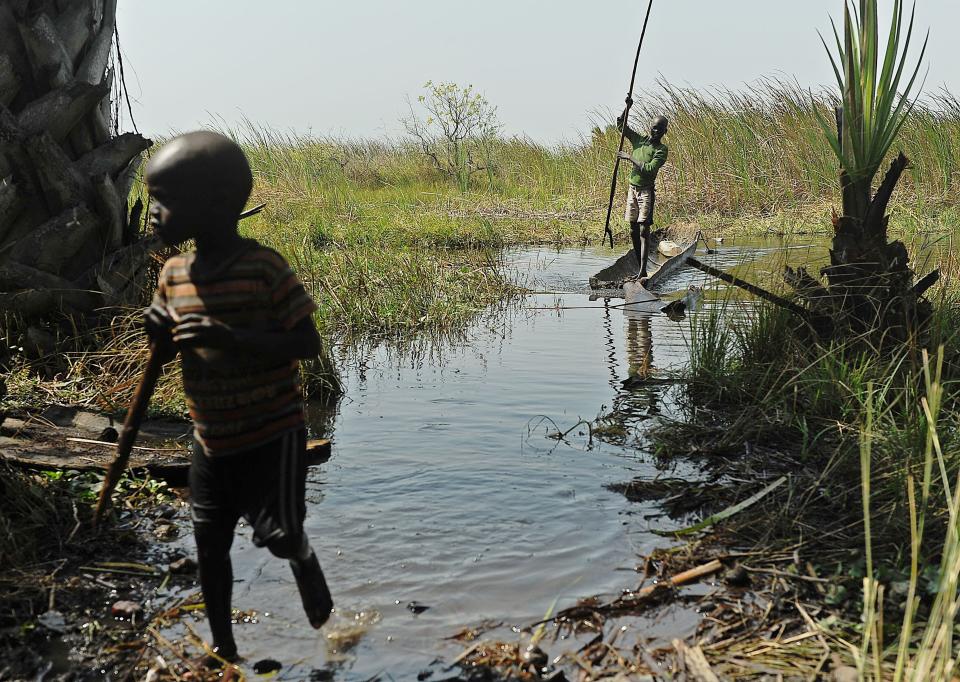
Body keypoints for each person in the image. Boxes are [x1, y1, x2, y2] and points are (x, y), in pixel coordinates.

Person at [142, 131, 333, 665]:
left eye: (165, 199)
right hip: (211, 440)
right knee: (209, 544)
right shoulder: (173, 274)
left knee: (277, 535)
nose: (153, 212)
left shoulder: (263, 268)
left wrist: (233, 340)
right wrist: (155, 328)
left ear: (216, 205)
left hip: (273, 435)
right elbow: (163, 351)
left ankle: (301, 556)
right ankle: (225, 648)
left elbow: (306, 343)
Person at [616, 110, 668, 278]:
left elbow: (650, 169)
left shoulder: (661, 149)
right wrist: (627, 107)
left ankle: (642, 271)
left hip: (646, 191)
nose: (655, 132)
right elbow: (621, 126)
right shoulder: (640, 140)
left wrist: (629, 157)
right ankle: (640, 267)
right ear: (650, 127)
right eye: (653, 128)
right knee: (633, 229)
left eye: (659, 130)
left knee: (644, 231)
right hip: (633, 189)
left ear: (664, 132)